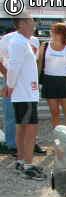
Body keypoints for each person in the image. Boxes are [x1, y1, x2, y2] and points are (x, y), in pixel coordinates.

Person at [6, 15, 45, 179]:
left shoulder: (22, 41)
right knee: (30, 128)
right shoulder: (18, 43)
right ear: (22, 23)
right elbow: (13, 67)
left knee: (23, 127)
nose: (34, 23)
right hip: (24, 93)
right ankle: (27, 165)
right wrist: (10, 86)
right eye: (31, 21)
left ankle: (21, 162)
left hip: (26, 93)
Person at [0, 24, 38, 156]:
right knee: (11, 114)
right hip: (12, 80)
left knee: (28, 118)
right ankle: (12, 145)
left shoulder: (34, 40)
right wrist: (7, 76)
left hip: (27, 83)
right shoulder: (7, 39)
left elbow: (34, 61)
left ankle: (28, 146)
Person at [39, 22, 66, 128]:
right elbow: (39, 65)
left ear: (63, 34)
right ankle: (56, 137)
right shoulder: (44, 46)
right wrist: (37, 81)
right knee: (55, 113)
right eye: (52, 32)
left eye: (56, 32)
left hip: (64, 82)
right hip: (48, 81)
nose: (53, 34)